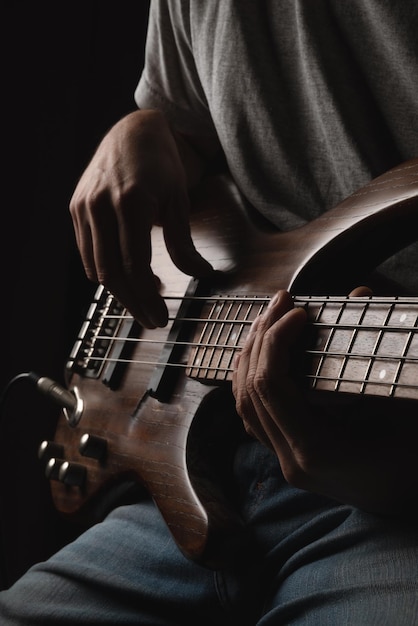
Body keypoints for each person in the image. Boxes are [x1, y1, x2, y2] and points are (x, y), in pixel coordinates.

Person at [1, 1, 418, 624]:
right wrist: (143, 129)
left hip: (395, 509)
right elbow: (195, 135)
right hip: (200, 482)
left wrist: (388, 473)